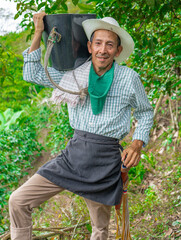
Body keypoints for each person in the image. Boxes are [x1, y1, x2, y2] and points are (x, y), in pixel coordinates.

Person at [9, 12, 154, 240]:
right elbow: (32, 73)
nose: (102, 50)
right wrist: (38, 32)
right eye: (98, 43)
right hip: (72, 156)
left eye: (109, 45)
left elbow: (145, 112)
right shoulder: (73, 75)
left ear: (117, 50)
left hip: (104, 162)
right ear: (89, 46)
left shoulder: (129, 78)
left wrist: (137, 143)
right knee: (18, 200)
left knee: (100, 230)